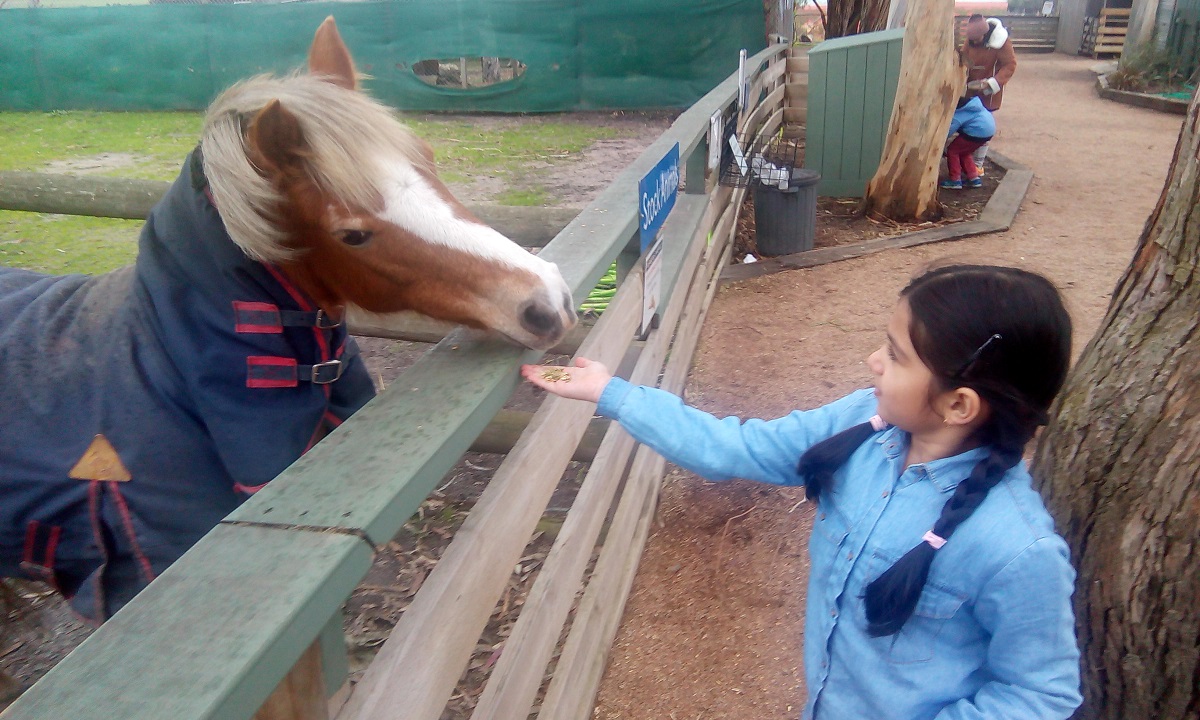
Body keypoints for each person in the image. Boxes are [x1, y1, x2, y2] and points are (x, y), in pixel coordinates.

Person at [521, 264, 1082, 720]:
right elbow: (734, 447)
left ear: (958, 404)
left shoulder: (1018, 549)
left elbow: (1038, 693)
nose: (873, 361)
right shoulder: (862, 425)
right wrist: (613, 393)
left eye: (896, 355)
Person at [961, 14, 1017, 174]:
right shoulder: (971, 40)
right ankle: (967, 161)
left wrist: (993, 82)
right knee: (967, 126)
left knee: (982, 127)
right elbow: (963, 57)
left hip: (988, 93)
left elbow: (1010, 65)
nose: (974, 43)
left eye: (977, 39)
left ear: (985, 34)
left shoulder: (1001, 42)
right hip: (970, 90)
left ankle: (978, 164)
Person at [941, 95, 996, 190]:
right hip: (988, 130)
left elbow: (948, 131)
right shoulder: (974, 104)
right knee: (965, 152)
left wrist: (940, 142)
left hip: (976, 132)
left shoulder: (959, 113)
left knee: (953, 151)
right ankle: (973, 177)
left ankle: (955, 180)